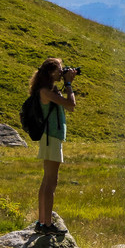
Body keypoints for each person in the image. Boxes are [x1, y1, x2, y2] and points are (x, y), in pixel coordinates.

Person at [30, 57, 76, 235]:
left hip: (49, 138)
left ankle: (42, 222)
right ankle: (47, 225)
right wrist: (69, 84)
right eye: (59, 70)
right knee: (51, 182)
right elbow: (71, 105)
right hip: (51, 139)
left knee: (46, 181)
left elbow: (66, 105)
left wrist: (64, 85)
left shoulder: (48, 90)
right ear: (50, 72)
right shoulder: (45, 91)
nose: (61, 72)